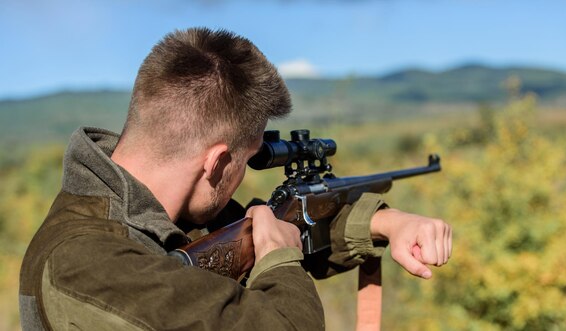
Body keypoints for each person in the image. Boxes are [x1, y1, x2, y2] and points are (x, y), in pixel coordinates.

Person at [19, 27, 452, 330]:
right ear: (217, 162)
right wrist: (280, 263)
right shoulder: (86, 263)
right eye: (246, 160)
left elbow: (274, 230)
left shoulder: (161, 210)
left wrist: (385, 223)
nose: (243, 177)